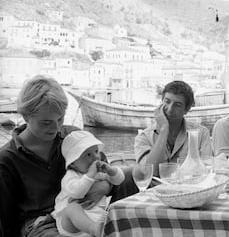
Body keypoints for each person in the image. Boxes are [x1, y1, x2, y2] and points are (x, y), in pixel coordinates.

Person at [0, 75, 138, 237]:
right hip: (41, 223)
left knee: (136, 176)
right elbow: (6, 221)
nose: (55, 128)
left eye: (60, 119)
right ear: (26, 117)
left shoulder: (74, 137)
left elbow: (106, 171)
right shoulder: (7, 160)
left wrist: (104, 187)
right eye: (46, 122)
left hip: (87, 209)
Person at [52, 130, 125, 237]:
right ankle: (93, 228)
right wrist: (90, 174)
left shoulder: (99, 172)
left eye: (96, 151)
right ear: (73, 164)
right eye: (88, 154)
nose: (95, 157)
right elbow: (77, 193)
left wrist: (111, 171)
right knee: (72, 208)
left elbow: (118, 180)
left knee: (115, 211)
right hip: (71, 223)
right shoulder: (71, 176)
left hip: (97, 218)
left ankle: (99, 229)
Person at [134, 80, 212, 176]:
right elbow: (147, 173)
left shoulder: (201, 133)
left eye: (177, 105)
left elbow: (207, 171)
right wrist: (164, 130)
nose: (170, 109)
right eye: (167, 102)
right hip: (155, 189)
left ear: (186, 110)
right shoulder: (144, 137)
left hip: (190, 188)